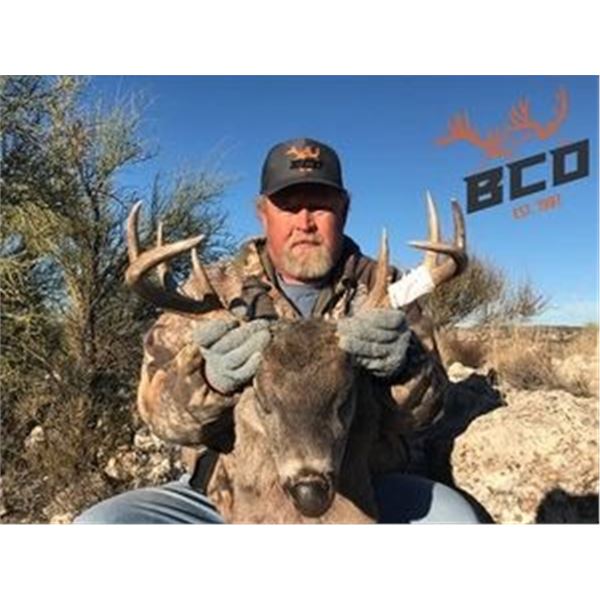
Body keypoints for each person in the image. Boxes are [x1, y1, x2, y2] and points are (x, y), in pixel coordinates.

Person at [75, 137, 485, 524]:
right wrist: (209, 382)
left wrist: (401, 371)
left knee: (456, 522)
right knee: (101, 525)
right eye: (289, 205)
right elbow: (161, 419)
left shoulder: (387, 291)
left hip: (362, 490)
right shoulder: (210, 291)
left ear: (344, 210)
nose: (305, 222)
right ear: (263, 213)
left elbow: (429, 414)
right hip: (227, 495)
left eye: (320, 205)